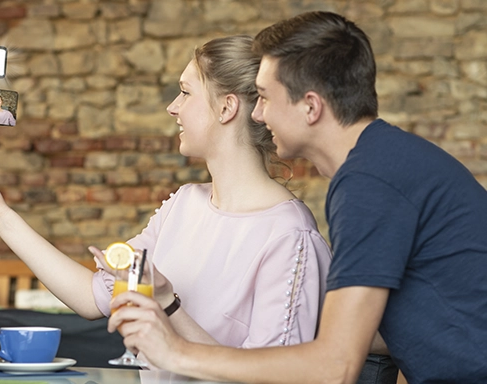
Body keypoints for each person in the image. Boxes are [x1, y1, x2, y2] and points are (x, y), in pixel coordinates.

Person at [106, 11, 487, 384]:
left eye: (267, 97)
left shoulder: (370, 183)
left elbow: (335, 369)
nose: (256, 114)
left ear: (310, 106)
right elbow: (413, 327)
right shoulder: (378, 164)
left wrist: (175, 351)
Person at [0, 36, 332, 353]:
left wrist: (167, 307)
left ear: (226, 107)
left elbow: (271, 376)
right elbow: (91, 297)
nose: (173, 107)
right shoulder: (184, 205)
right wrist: (0, 216)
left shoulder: (289, 236)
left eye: (185, 92)